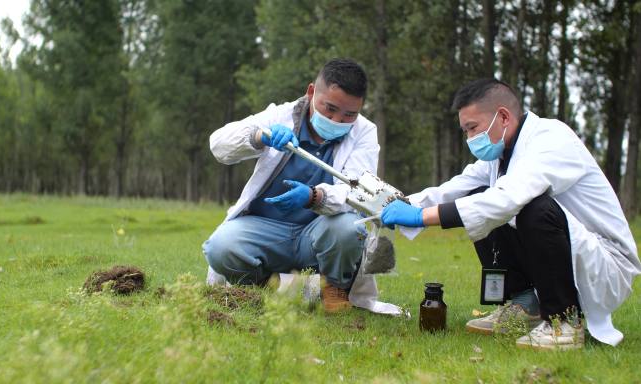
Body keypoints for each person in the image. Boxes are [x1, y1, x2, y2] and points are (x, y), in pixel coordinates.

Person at [381, 78, 640, 350]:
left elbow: (508, 197)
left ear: (503, 116)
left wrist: (421, 218)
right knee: (478, 195)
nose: (470, 139)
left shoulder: (552, 139)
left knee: (530, 207)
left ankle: (562, 322)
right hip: (573, 251)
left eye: (473, 128)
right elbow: (455, 188)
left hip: (606, 265)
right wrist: (398, 205)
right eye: (465, 131)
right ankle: (525, 305)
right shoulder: (501, 154)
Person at [203, 58, 378, 314]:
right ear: (311, 92)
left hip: (317, 232)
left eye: (349, 114)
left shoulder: (364, 132)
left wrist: (314, 197)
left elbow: (359, 191)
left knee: (349, 227)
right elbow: (218, 144)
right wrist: (259, 137)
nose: (337, 120)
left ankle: (333, 291)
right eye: (329, 108)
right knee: (221, 246)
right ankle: (267, 288)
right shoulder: (280, 116)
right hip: (267, 230)